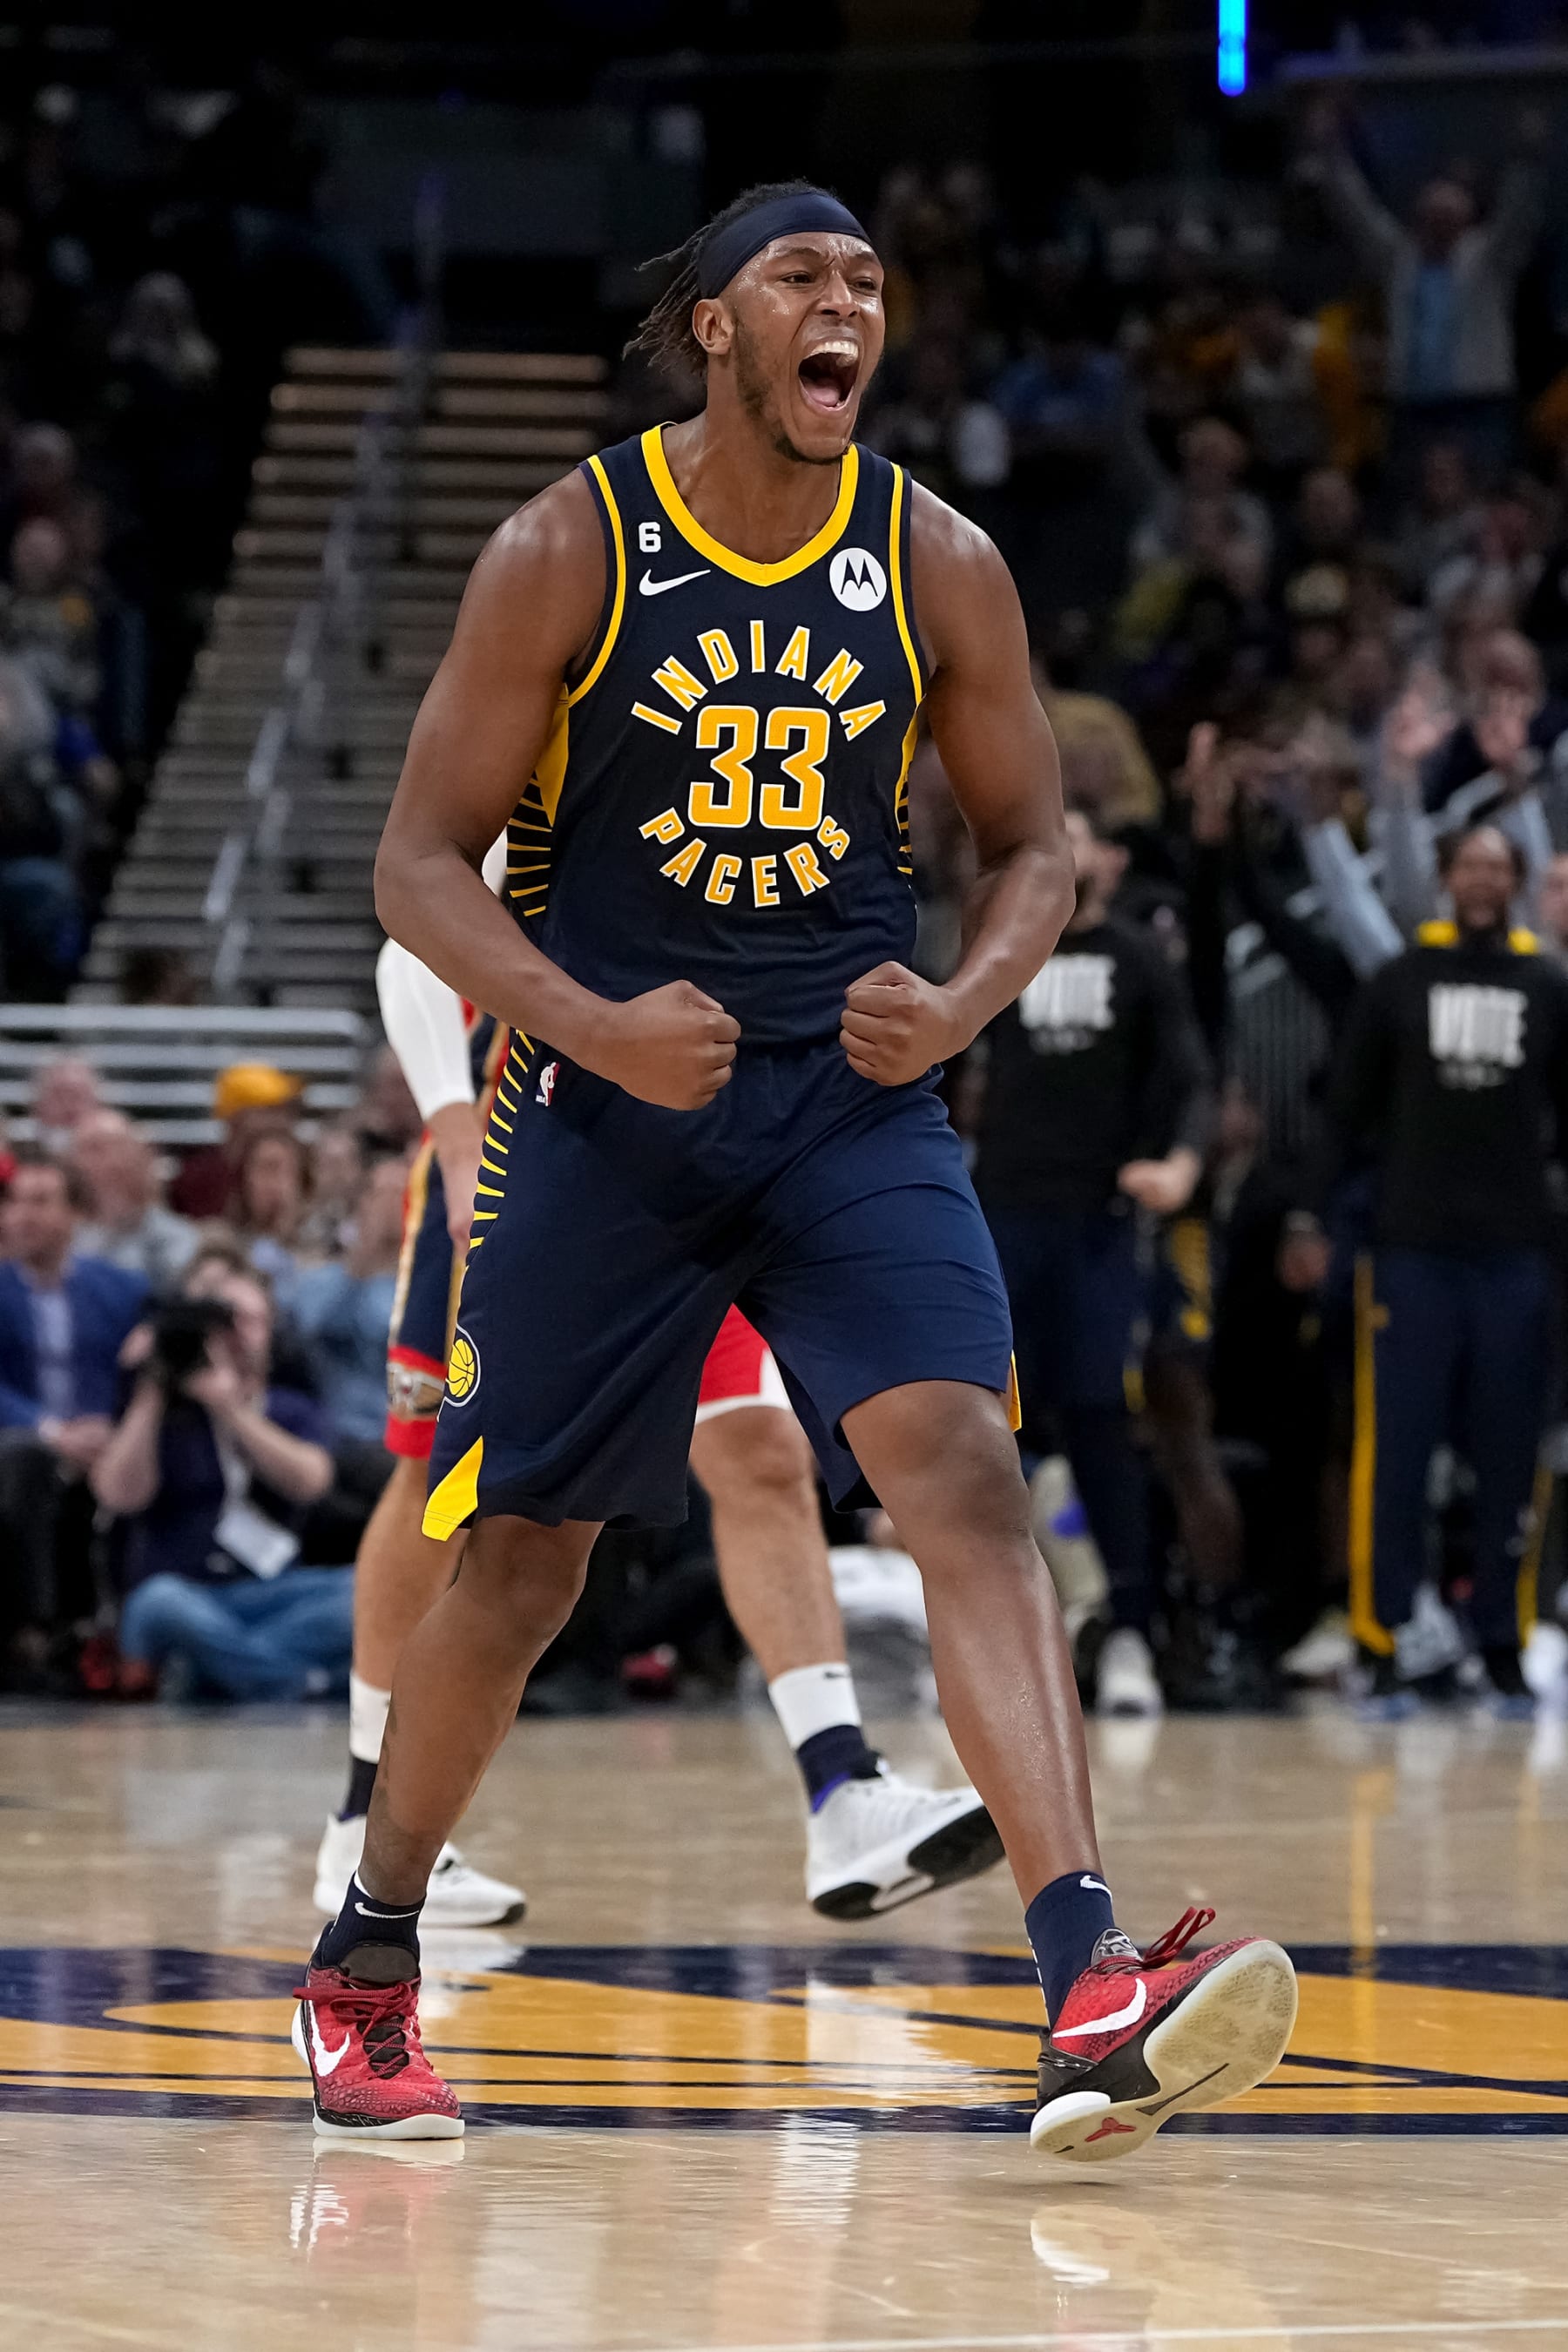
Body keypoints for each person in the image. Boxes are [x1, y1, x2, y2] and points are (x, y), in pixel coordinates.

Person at [295, 180, 1294, 2153]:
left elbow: (1034, 847)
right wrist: (580, 1024)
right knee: (525, 1557)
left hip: (850, 1092)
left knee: (967, 1470)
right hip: (604, 1112)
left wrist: (961, 1000)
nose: (847, 303)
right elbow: (417, 861)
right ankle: (368, 1948)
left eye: (867, 280)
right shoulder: (567, 542)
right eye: (800, 278)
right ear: (718, 331)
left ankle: (1087, 1971)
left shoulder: (940, 558)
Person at [314, 901, 1003, 1930]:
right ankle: (359, 1823)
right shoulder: (566, 750)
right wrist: (457, 1134)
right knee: (440, 1487)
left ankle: (841, 1787)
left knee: (764, 1452)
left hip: (712, 1160)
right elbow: (415, 922)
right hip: (533, 1153)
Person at [1305, 825, 1568, 1712]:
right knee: (1397, 1455)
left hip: (1515, 1256)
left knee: (1508, 1457)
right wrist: (1319, 1214)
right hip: (1412, 1253)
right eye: (1470, 866)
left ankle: (1503, 1643)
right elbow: (1346, 1109)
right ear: (1447, 878)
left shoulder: (1548, 985)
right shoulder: (1401, 981)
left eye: (1500, 868)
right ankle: (1383, 1644)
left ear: (1516, 882)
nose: (1484, 881)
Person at [970, 808, 1215, 1718]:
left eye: (1076, 835)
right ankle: (1016, 1639)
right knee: (997, 1438)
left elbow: (1191, 1078)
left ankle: (1128, 1634)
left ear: (1108, 859)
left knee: (1104, 1428)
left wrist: (1180, 1165)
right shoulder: (1000, 949)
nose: (1061, 847)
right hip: (1001, 1221)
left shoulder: (1139, 963)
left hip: (1102, 1227)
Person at [91, 1260, 348, 1701]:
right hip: (178, 1588)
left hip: (270, 1593)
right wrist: (153, 1386)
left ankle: (215, 1670)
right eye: (224, 1320)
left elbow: (311, 1482)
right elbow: (119, 1494)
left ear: (272, 1331)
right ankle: (307, 1680)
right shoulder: (161, 1410)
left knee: (361, 1593)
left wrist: (231, 1409)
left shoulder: (289, 1407)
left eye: (250, 1320)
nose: (236, 1334)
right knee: (162, 1604)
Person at [0, 1149, 145, 1662]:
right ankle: (37, 1632)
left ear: (74, 1213)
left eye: (41, 1202)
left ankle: (116, 1632)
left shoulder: (122, 1289)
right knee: (28, 1462)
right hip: (23, 1443)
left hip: (106, 1440)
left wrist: (111, 1429)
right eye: (15, 1203)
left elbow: (137, 1366)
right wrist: (51, 1432)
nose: (23, 1215)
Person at [70, 1107, 198, 1292]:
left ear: (139, 1156)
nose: (108, 1163)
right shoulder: (60, 1234)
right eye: (84, 1150)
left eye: (101, 1149)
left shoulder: (174, 1238)